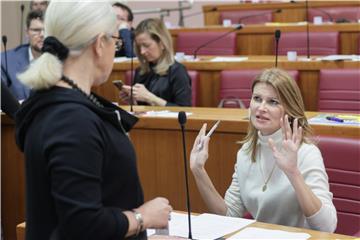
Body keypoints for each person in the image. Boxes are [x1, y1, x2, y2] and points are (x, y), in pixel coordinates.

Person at [15, 2, 172, 240]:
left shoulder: (52, 103)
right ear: (100, 44)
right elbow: (82, 225)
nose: (115, 49)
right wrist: (142, 218)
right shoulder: (71, 120)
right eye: (115, 42)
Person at [190, 68, 337, 232]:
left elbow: (327, 227)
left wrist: (293, 172)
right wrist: (198, 171)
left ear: (289, 109)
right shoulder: (246, 152)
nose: (261, 107)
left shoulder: (306, 152)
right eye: (257, 99)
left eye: (273, 102)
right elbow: (229, 215)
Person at [119, 18, 192, 106]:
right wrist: (132, 101)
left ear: (162, 43)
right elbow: (143, 109)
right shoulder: (141, 71)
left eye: (146, 45)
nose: (142, 51)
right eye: (139, 47)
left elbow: (184, 111)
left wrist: (150, 98)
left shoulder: (178, 71)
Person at [1, 10, 44, 101]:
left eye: (46, 30)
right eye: (36, 30)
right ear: (27, 32)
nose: (42, 35)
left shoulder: (62, 60)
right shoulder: (6, 61)